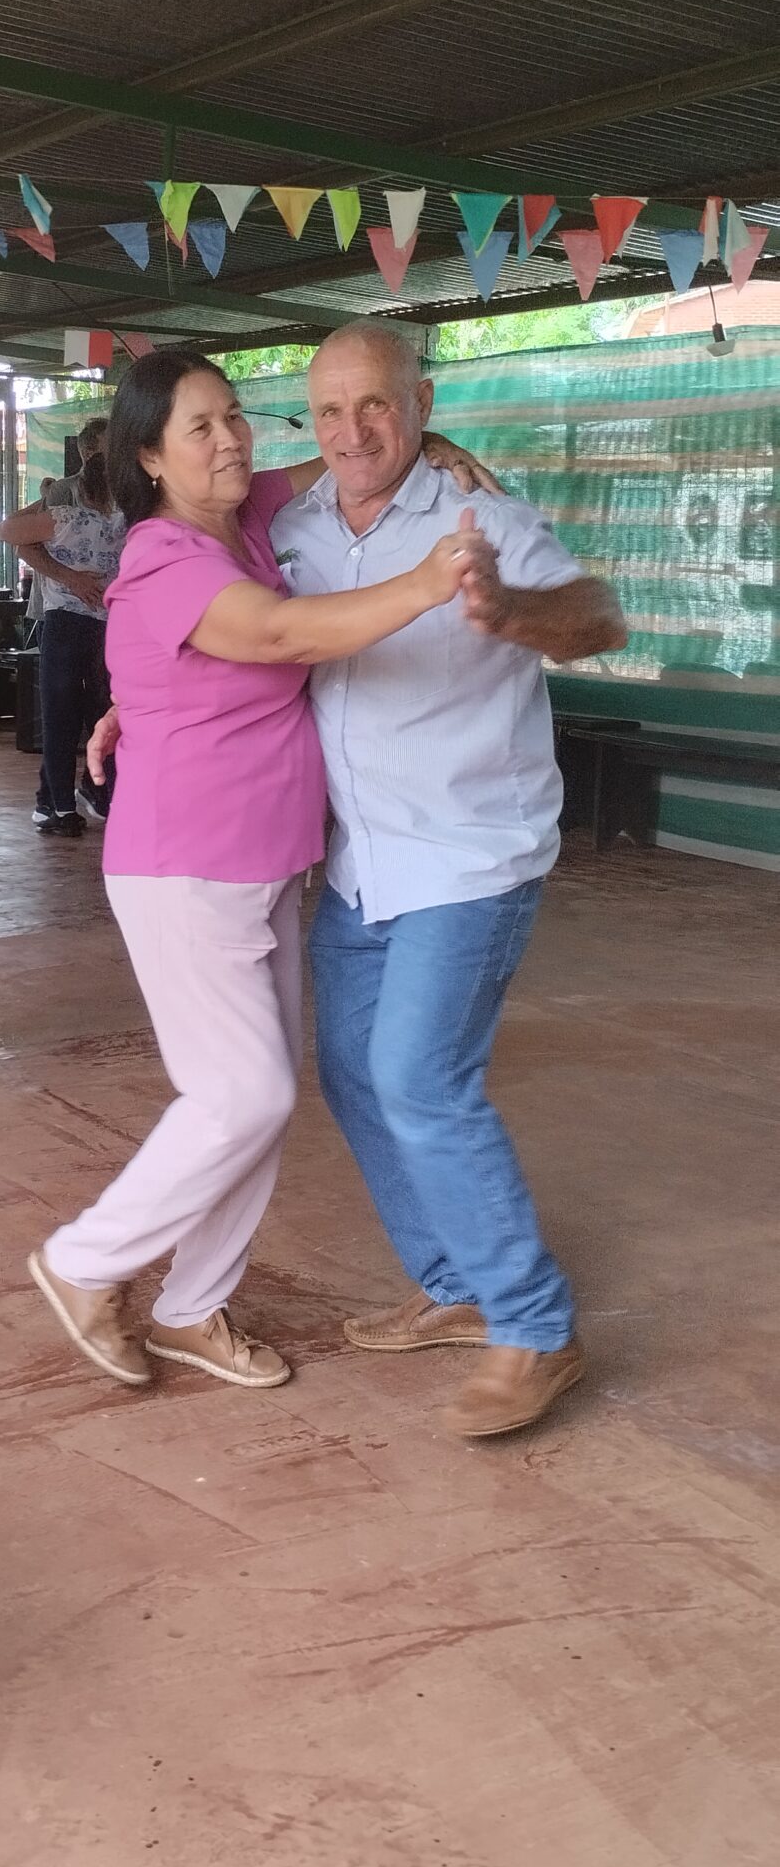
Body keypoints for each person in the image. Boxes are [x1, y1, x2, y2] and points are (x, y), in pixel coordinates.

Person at [27, 347, 497, 1394]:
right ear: (150, 458)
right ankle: (84, 1261)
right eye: (198, 428)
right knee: (239, 1094)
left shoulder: (246, 514)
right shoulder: (165, 556)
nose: (230, 439)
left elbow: (345, 457)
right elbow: (280, 632)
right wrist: (425, 581)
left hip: (267, 861)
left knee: (262, 1100)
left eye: (234, 415)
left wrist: (426, 439)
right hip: (186, 866)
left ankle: (192, 1307)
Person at [267, 324, 626, 1440]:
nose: (352, 431)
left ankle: (536, 1325)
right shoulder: (291, 528)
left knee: (419, 1077)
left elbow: (599, 615)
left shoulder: (484, 520)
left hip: (471, 854)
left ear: (419, 404)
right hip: (361, 865)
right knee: (353, 1075)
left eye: (375, 404)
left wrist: (512, 612)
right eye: (330, 410)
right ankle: (457, 1283)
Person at [1, 421, 123, 836]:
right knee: (99, 711)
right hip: (102, 623)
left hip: (71, 622)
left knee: (61, 715)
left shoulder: (65, 517)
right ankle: (89, 794)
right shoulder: (121, 522)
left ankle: (61, 804)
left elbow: (9, 531)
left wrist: (42, 502)